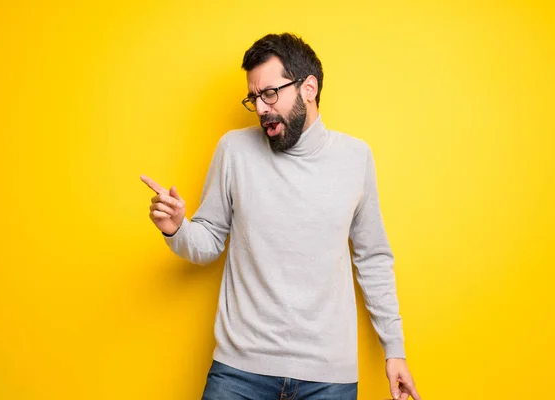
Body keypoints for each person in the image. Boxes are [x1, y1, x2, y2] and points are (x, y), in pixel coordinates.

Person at [141, 33, 421, 400]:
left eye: (269, 93)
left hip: (328, 378)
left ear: (309, 87)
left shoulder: (356, 158)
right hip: (239, 372)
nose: (260, 108)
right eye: (253, 98)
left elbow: (373, 258)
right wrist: (178, 228)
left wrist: (394, 348)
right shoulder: (234, 150)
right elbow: (208, 240)